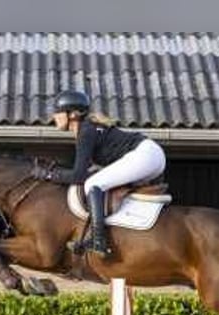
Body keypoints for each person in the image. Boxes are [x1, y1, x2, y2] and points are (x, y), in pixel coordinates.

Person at [32, 89, 166, 258]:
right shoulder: (88, 128)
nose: (54, 117)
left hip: (145, 155)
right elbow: (85, 171)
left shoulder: (86, 131)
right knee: (97, 181)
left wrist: (48, 175)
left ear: (72, 114)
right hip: (151, 155)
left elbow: (79, 176)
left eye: (58, 112)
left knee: (93, 185)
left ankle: (99, 240)